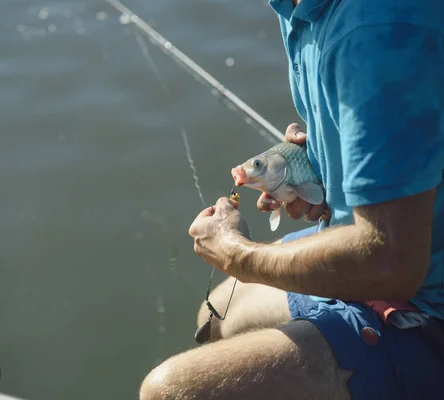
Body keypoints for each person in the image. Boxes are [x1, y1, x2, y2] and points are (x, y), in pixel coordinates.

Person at [139, 0, 444, 399]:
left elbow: (390, 262)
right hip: (390, 250)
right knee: (216, 315)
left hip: (423, 303)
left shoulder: (372, 30)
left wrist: (237, 254)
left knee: (169, 391)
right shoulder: (298, 8)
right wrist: (328, 172)